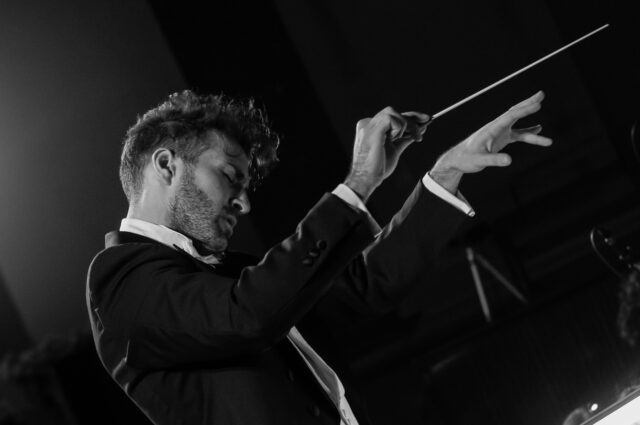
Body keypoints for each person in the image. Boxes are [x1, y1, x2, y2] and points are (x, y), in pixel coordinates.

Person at [86, 90, 551, 425]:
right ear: (166, 165)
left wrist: (445, 174)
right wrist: (360, 181)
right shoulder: (118, 281)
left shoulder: (227, 274)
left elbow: (360, 288)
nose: (244, 204)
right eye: (229, 175)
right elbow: (246, 315)